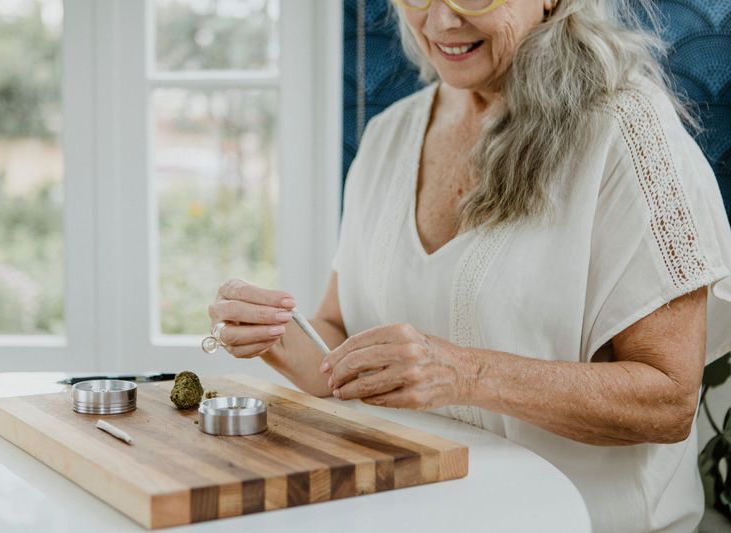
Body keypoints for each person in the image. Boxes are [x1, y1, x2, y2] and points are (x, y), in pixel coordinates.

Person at [207, 1, 731, 531]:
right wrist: (277, 333)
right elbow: (337, 339)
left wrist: (464, 372)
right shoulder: (389, 135)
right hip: (413, 515)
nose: (440, 22)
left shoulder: (627, 132)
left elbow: (667, 401)